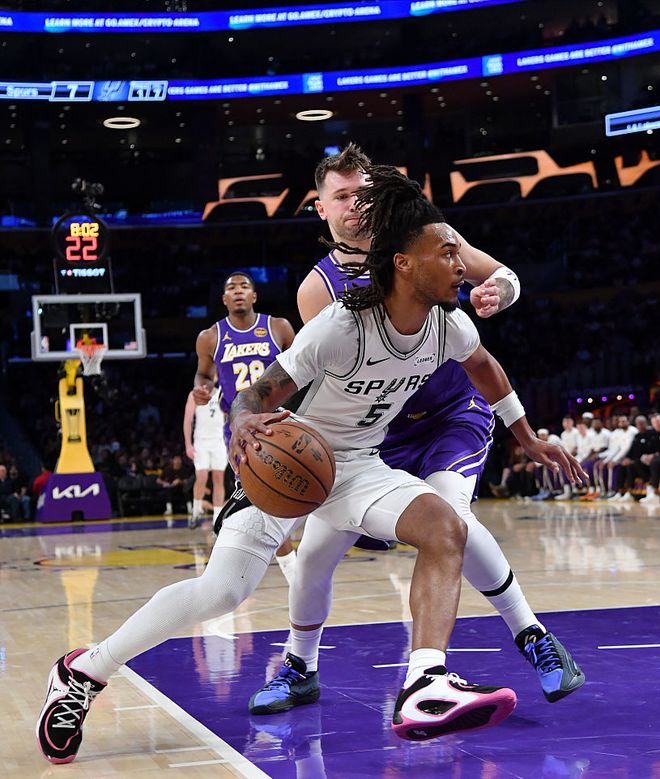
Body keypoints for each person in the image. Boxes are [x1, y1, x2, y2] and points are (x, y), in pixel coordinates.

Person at [36, 167, 585, 763]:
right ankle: (84, 671)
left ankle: (425, 683)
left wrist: (527, 437)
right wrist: (243, 420)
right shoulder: (340, 323)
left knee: (445, 525)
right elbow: (260, 392)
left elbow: (485, 369)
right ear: (403, 263)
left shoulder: (448, 323)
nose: (461, 265)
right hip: (291, 456)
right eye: (447, 254)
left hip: (358, 466)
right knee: (222, 592)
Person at [250, 144, 584, 719]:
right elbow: (334, 376)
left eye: (364, 193)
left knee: (451, 516)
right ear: (322, 209)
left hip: (454, 411)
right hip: (377, 430)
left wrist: (496, 293)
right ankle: (301, 665)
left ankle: (530, 635)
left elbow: (503, 278)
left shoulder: (428, 240)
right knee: (315, 555)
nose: (357, 205)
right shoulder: (319, 290)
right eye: (342, 196)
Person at [193, 271, 298, 582]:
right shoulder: (210, 337)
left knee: (296, 494)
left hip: (282, 422)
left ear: (254, 296)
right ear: (224, 299)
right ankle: (293, 571)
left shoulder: (278, 327)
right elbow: (203, 374)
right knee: (267, 500)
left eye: (244, 286)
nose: (238, 291)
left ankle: (299, 564)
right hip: (242, 431)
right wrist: (201, 388)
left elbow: (304, 366)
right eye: (231, 288)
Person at [183, 385, 227, 528]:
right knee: (201, 477)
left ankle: (217, 519)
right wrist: (188, 445)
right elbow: (188, 420)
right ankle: (196, 511)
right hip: (201, 441)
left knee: (218, 478)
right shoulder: (194, 394)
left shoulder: (223, 391)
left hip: (219, 440)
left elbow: (230, 416)